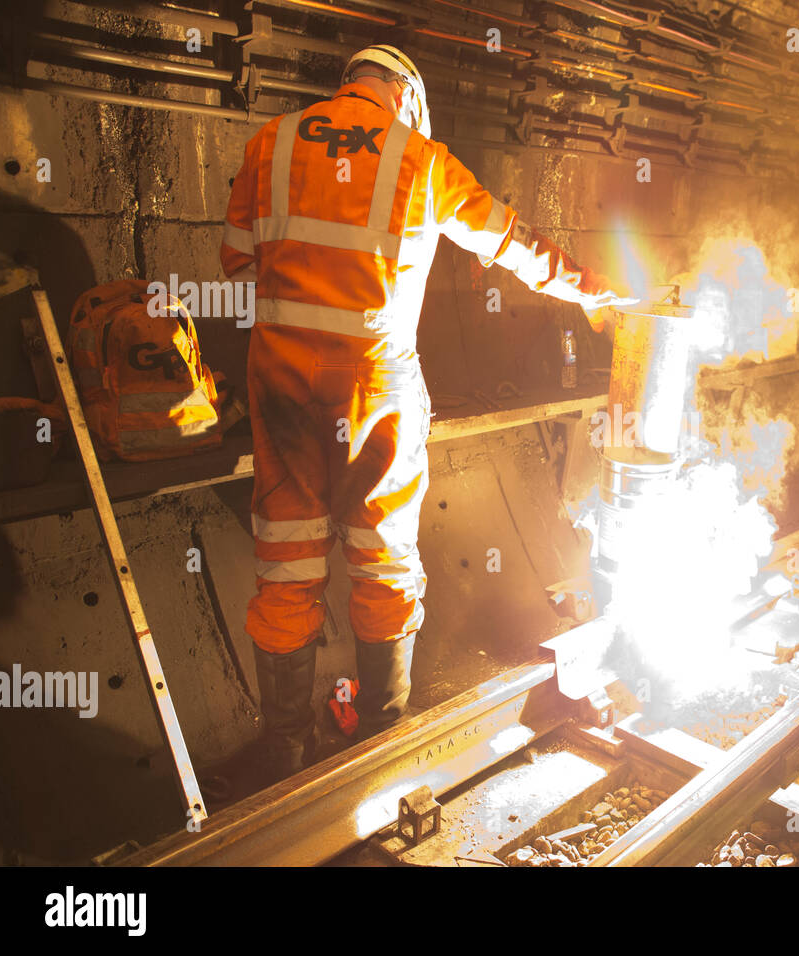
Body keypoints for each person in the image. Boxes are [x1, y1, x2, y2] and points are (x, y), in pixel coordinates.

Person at [220, 44, 634, 779]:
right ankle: (378, 741)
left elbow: (236, 259)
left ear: (348, 84)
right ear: (407, 96)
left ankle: (287, 750)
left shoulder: (269, 142)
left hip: (280, 382)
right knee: (381, 561)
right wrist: (592, 292)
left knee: (286, 565)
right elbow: (511, 243)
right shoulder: (421, 158)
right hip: (374, 384)